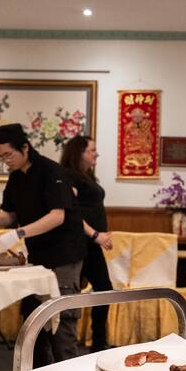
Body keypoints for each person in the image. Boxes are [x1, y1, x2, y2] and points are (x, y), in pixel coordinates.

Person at [0, 123, 87, 367]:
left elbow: (57, 215)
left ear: (25, 147)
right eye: (1, 157)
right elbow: (10, 212)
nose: (6, 161)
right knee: (34, 321)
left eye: (9, 154)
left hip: (63, 254)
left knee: (61, 319)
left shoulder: (51, 171)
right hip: (36, 256)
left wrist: (17, 233)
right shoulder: (16, 177)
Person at [61, 134, 114, 352]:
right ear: (79, 153)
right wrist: (95, 235)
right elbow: (70, 211)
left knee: (104, 290)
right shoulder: (69, 176)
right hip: (78, 244)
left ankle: (98, 343)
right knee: (76, 294)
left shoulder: (86, 176)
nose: (96, 154)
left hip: (91, 244)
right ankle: (71, 345)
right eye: (92, 150)